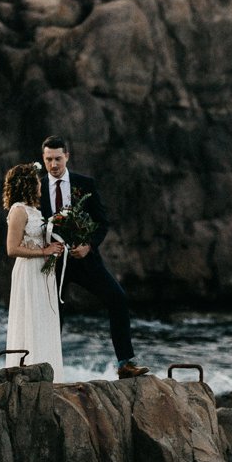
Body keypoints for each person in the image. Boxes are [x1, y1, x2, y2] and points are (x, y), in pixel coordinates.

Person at [39, 135, 148, 378]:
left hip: (85, 259)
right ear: (43, 159)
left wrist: (89, 245)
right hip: (53, 263)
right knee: (52, 315)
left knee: (117, 298)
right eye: (48, 160)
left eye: (58, 159)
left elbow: (102, 222)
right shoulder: (37, 186)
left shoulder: (84, 184)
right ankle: (47, 370)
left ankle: (125, 364)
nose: (54, 165)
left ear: (67, 156)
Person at [2, 163, 66, 374]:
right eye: (38, 181)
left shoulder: (34, 210)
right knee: (30, 318)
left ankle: (49, 369)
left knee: (44, 319)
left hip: (43, 272)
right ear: (29, 184)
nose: (41, 184)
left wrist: (54, 247)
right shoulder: (18, 210)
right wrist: (44, 252)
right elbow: (12, 248)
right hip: (29, 271)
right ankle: (27, 369)